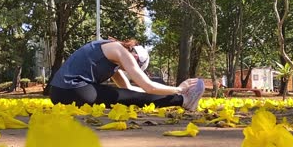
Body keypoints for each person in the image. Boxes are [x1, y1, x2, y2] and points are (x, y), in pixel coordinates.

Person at [50, 38, 205, 111]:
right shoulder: (120, 51)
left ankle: (181, 100)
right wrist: (179, 89)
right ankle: (184, 100)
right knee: (128, 98)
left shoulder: (111, 58)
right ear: (135, 57)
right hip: (73, 90)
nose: (127, 70)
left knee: (128, 97)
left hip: (58, 92)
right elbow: (148, 87)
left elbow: (129, 89)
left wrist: (163, 91)